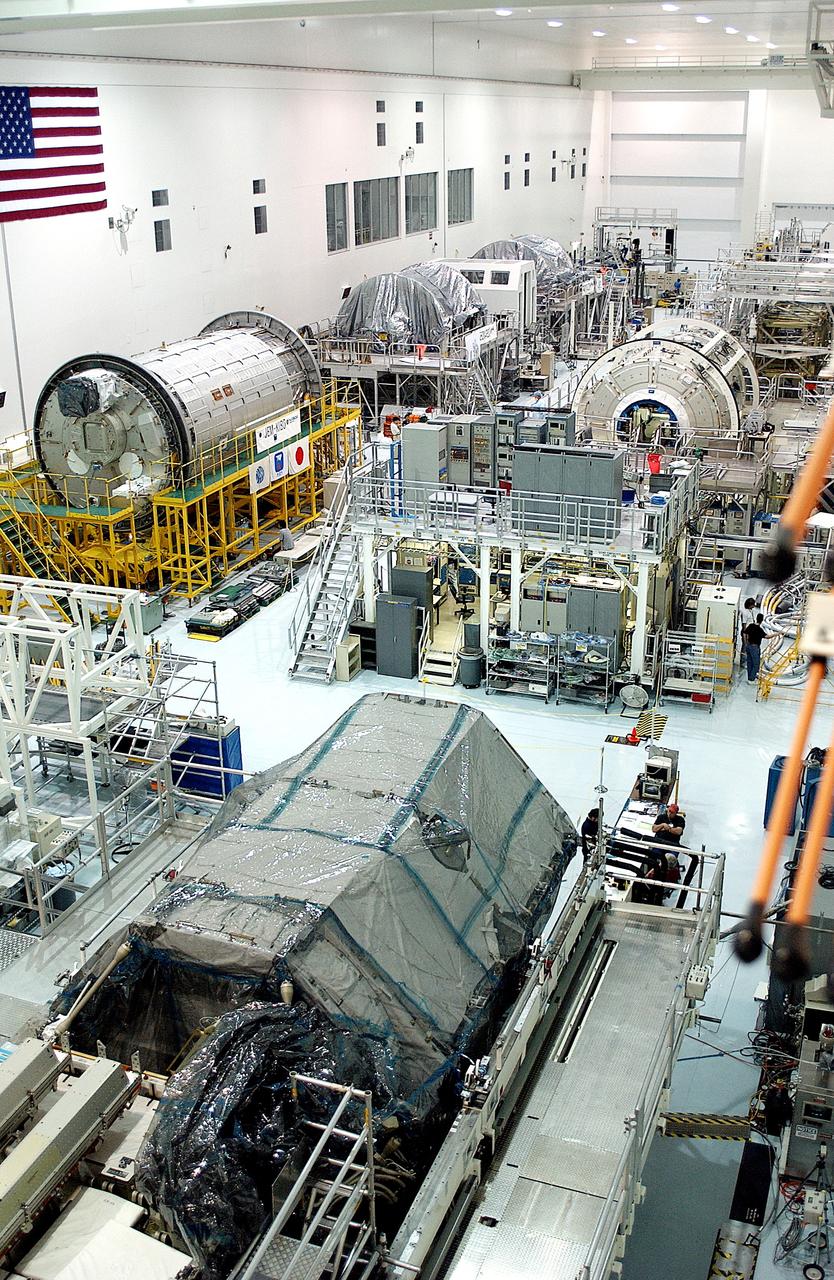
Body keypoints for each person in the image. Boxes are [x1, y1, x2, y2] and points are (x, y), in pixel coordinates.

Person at [744, 612, 766, 683]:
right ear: (762, 620)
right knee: (756, 664)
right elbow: (767, 636)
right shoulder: (760, 630)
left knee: (749, 662)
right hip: (755, 648)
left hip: (748, 646)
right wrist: (776, 634)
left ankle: (749, 677)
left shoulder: (751, 626)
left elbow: (745, 633)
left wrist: (746, 642)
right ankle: (752, 679)